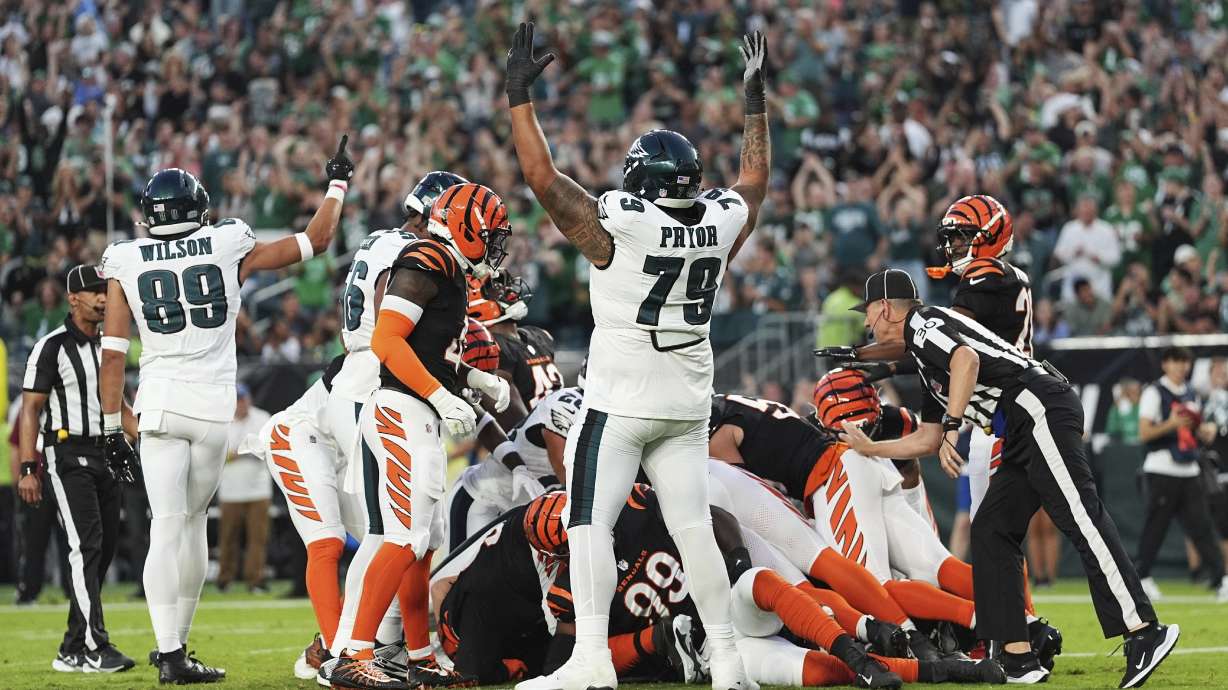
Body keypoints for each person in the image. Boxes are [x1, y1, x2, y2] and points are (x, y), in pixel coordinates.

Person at [506, 24, 769, 690]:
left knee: (587, 523)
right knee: (693, 530)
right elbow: (755, 181)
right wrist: (754, 101)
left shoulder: (621, 227)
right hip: (685, 405)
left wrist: (518, 99)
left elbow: (541, 177)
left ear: (638, 183)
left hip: (620, 404)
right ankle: (730, 659)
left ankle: (592, 660)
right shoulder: (718, 224)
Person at [838, 269, 1177, 687]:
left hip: (1038, 406)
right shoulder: (925, 352)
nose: (867, 322)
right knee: (992, 529)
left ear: (887, 307)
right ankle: (1018, 655)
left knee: (1080, 518)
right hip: (1021, 423)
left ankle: (1144, 631)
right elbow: (926, 440)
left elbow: (967, 360)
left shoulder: (924, 323)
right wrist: (871, 449)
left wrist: (951, 423)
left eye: (869, 312)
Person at [98, 139, 350, 684]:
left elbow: (113, 354)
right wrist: (337, 184)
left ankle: (168, 653)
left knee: (166, 525)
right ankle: (177, 653)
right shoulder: (227, 242)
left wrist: (109, 427)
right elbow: (317, 240)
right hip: (212, 408)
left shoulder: (126, 257)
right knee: (191, 527)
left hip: (159, 403)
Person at [331, 182, 514, 690]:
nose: (497, 246)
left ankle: (419, 656)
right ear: (466, 226)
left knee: (424, 541)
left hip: (416, 410)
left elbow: (431, 349)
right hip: (401, 409)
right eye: (491, 234)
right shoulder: (427, 258)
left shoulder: (448, 268)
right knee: (404, 536)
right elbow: (387, 341)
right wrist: (441, 394)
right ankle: (354, 653)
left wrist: (473, 380)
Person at [325, 169, 464, 665]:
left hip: (368, 372)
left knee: (411, 534)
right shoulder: (413, 254)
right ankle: (350, 650)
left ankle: (399, 648)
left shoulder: (381, 240)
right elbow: (390, 323)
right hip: (381, 376)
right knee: (394, 533)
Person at [18, 264, 138, 673]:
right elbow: (31, 410)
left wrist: (145, 439)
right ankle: (93, 647)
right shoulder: (51, 346)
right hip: (66, 454)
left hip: (106, 452)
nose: (103, 298)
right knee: (85, 546)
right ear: (72, 298)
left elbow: (120, 406)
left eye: (105, 291)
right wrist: (28, 467)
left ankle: (72, 646)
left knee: (101, 552)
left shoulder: (109, 346)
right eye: (93, 292)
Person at [1135, 347, 1228, 602]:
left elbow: (1194, 433)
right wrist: (1171, 424)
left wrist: (1205, 432)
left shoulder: (1190, 394)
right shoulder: (1154, 392)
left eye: (1184, 362)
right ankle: (1141, 578)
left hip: (1188, 468)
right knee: (1156, 527)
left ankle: (1222, 578)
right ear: (1165, 365)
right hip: (1162, 467)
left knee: (1202, 526)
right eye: (1175, 362)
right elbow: (1144, 433)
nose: (1180, 367)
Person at [468, 270, 563, 423]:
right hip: (529, 439)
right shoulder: (492, 349)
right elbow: (510, 423)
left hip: (559, 430)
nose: (509, 290)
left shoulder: (539, 335)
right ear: (475, 302)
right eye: (495, 288)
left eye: (504, 285)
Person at [217, 384, 272, 593]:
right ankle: (224, 579)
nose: (241, 404)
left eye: (243, 399)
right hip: (230, 490)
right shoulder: (222, 420)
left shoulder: (262, 417)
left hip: (258, 489)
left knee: (257, 538)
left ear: (249, 398)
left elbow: (264, 449)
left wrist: (235, 454)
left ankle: (255, 580)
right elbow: (219, 453)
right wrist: (242, 451)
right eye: (237, 400)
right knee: (228, 537)